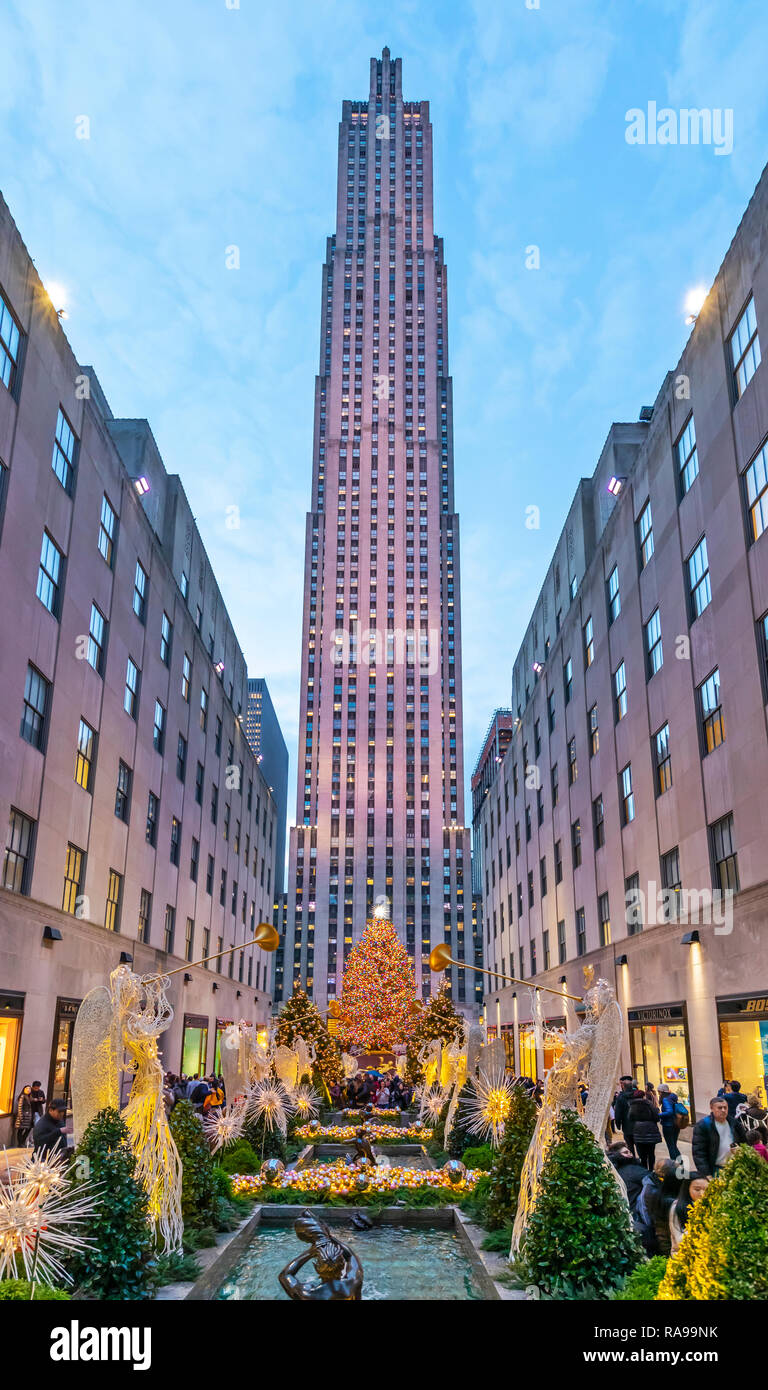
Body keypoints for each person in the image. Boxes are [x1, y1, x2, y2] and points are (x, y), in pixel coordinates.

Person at [692, 1097, 735, 1177]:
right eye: (719, 1108)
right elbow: (699, 1153)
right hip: (716, 1170)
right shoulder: (703, 1125)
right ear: (711, 1108)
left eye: (725, 1107)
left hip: (733, 1169)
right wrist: (706, 1174)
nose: (723, 1110)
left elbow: (744, 1142)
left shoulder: (733, 1123)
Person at [669, 1174, 709, 1253]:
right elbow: (679, 1242)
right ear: (687, 1189)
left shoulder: (712, 1205)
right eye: (697, 1189)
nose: (702, 1194)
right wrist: (698, 1221)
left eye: (706, 1190)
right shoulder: (677, 1207)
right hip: (683, 1254)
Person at [607, 1140, 648, 1210]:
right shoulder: (633, 1170)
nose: (630, 1154)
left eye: (630, 1152)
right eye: (625, 1152)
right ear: (617, 1155)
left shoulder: (614, 1170)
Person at [629, 1088, 661, 1170]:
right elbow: (657, 1117)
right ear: (643, 1096)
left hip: (638, 1131)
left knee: (642, 1155)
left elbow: (630, 1118)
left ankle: (644, 1170)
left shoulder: (632, 1106)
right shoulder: (649, 1104)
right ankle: (651, 1170)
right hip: (650, 1130)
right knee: (651, 1153)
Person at [613, 1077, 640, 1157]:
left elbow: (618, 1112)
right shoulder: (638, 1094)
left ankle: (633, 1162)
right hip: (639, 1125)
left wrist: (618, 1124)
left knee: (630, 1146)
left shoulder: (621, 1097)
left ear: (623, 1086)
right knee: (640, 1147)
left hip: (627, 1125)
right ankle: (644, 1165)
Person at [658, 1083, 680, 1160]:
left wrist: (658, 1115)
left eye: (659, 1091)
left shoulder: (665, 1099)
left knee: (671, 1146)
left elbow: (669, 1112)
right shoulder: (672, 1097)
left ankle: (674, 1165)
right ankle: (680, 1164)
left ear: (662, 1091)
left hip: (668, 1125)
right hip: (676, 1124)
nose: (658, 1093)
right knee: (674, 1145)